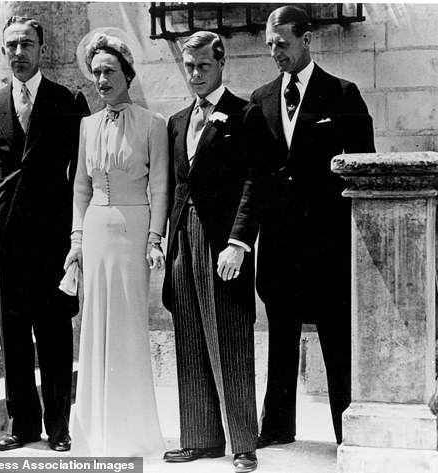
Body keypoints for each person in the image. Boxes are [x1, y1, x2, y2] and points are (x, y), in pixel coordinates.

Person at [251, 6, 375, 447]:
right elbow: (255, 176)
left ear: (307, 39)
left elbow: (364, 175)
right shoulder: (261, 98)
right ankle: (277, 430)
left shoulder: (342, 94)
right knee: (280, 341)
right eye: (269, 44)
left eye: (282, 43)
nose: (274, 52)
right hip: (279, 248)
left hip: (328, 248)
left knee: (337, 347)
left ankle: (348, 435)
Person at [0, 15, 89, 452]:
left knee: (55, 333)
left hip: (52, 234)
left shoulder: (66, 100)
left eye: (26, 44)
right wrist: (5, 210)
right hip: (4, 235)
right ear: (3, 52)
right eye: (11, 46)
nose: (18, 53)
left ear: (42, 49)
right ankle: (21, 424)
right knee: (13, 332)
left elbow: (78, 171)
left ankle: (58, 427)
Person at [162, 31, 267, 473]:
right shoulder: (178, 121)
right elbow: (177, 186)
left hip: (224, 245)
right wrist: (165, 242)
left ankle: (244, 443)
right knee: (189, 336)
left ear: (221, 64)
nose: (196, 75)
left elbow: (256, 181)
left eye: (204, 66)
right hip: (184, 240)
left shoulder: (245, 115)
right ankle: (201, 437)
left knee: (230, 339)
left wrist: (239, 243)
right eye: (189, 67)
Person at [65, 32, 168, 457]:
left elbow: (161, 187)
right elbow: (80, 188)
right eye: (96, 73)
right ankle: (95, 432)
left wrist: (155, 237)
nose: (102, 80)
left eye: (109, 71)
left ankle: (131, 432)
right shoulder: (87, 125)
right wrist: (76, 241)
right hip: (95, 232)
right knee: (93, 328)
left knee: (126, 328)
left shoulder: (152, 124)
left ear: (127, 74)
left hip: (133, 230)